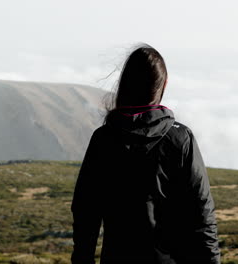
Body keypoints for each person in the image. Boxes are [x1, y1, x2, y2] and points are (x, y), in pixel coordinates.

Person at [71, 43, 220, 264]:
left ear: (126, 84)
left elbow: (86, 212)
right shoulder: (180, 139)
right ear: (164, 84)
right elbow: (201, 215)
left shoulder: (104, 139)